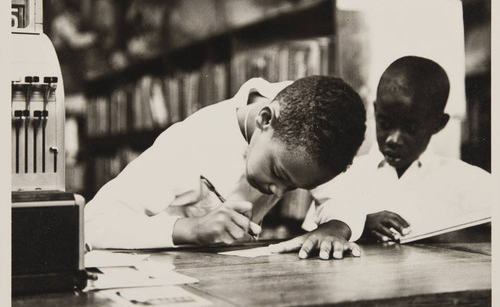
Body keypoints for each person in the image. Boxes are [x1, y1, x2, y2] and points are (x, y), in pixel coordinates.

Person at [85, 76, 367, 259]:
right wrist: (189, 229)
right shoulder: (190, 141)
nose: (279, 194)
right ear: (265, 119)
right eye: (279, 175)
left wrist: (337, 226)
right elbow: (92, 223)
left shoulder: (311, 124)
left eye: (294, 187)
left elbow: (348, 193)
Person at [270, 55, 490, 254]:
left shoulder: (468, 180)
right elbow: (317, 235)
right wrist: (359, 224)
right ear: (375, 110)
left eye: (410, 128)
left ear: (438, 124)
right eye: (385, 123)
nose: (393, 139)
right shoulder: (342, 174)